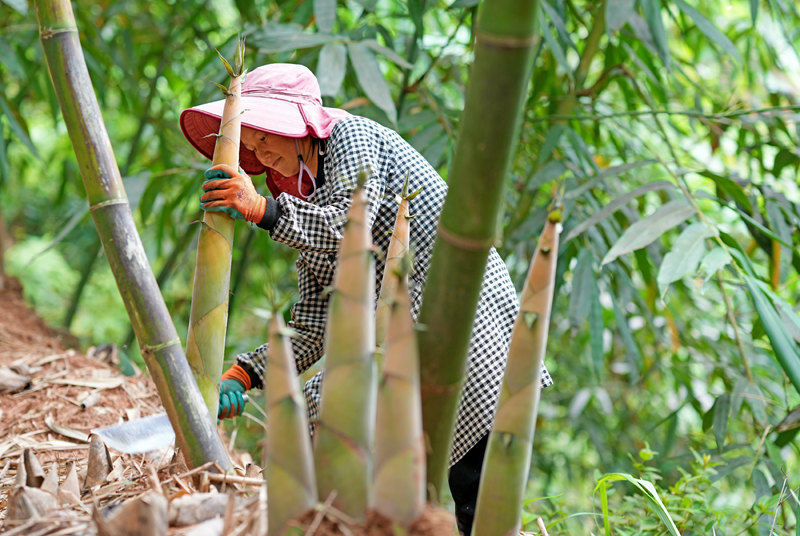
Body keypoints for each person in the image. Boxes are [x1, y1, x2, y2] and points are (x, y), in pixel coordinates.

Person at [179, 63, 552, 534]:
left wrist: (263, 209)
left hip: (461, 320)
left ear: (298, 125)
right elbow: (316, 324)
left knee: (475, 497)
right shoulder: (306, 203)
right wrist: (246, 372)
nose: (259, 151)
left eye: (264, 135)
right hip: (405, 341)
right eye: (250, 143)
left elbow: (348, 224)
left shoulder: (351, 137)